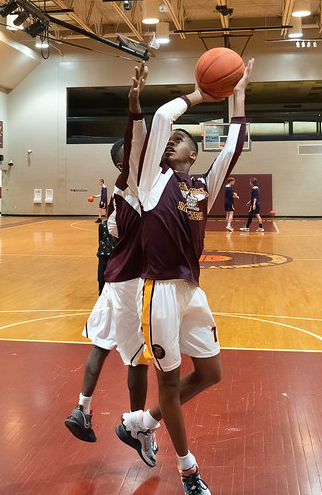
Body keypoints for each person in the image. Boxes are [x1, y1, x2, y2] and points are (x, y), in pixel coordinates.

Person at [118, 58, 252, 495]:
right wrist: (200, 94)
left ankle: (145, 421)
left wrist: (239, 97)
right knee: (171, 382)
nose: (170, 141)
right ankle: (188, 470)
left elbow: (231, 149)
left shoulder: (201, 186)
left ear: (193, 154)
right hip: (157, 289)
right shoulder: (149, 181)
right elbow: (159, 117)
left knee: (211, 373)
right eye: (168, 140)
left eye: (179, 140)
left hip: (192, 291)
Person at [66, 64, 152, 458]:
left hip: (114, 277)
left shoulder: (121, 195)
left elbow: (116, 233)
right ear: (127, 162)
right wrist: (134, 106)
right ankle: (136, 425)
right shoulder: (132, 183)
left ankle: (81, 408)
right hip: (133, 281)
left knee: (101, 343)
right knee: (140, 357)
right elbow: (135, 144)